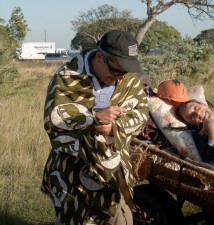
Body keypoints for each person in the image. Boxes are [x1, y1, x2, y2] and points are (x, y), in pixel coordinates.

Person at [41, 30, 149, 225]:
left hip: (115, 169)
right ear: (100, 57)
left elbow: (141, 113)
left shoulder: (128, 79)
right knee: (74, 218)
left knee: (120, 219)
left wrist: (115, 127)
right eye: (116, 72)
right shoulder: (68, 76)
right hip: (73, 169)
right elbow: (54, 120)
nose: (120, 78)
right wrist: (94, 119)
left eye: (125, 72)